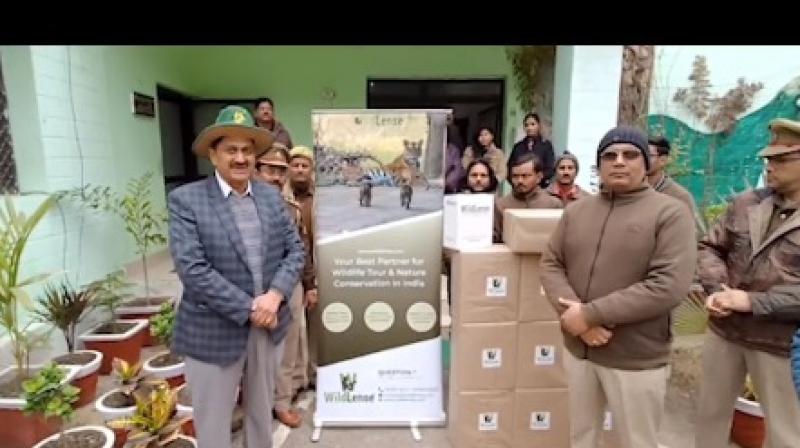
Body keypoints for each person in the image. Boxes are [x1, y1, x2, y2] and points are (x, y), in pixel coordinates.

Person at [540, 125, 696, 448]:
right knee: (581, 437)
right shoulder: (577, 211)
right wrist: (579, 321)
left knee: (637, 441)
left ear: (646, 164)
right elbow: (551, 263)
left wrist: (590, 315)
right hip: (580, 350)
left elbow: (668, 285)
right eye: (609, 156)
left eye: (630, 155)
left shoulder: (670, 213)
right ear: (599, 165)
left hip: (635, 357)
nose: (619, 161)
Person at [168, 105, 305, 448]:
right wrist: (250, 308)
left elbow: (295, 251)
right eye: (231, 150)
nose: (241, 158)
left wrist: (275, 296)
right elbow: (193, 269)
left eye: (247, 150)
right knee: (213, 424)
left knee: (261, 416)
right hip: (213, 329)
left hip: (268, 327)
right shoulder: (186, 201)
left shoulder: (271, 197)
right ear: (213, 155)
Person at [694, 118, 800, 448]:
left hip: (781, 342)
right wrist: (718, 291)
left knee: (786, 432)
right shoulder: (747, 202)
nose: (769, 166)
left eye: (781, 159)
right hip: (726, 331)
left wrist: (752, 302)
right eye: (768, 159)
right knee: (709, 418)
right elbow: (709, 247)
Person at [255, 145, 310, 429]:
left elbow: (301, 250)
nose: (276, 177)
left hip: (289, 286)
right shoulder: (241, 204)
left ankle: (282, 403)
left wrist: (308, 283)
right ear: (256, 170)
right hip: (253, 288)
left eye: (280, 171)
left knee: (288, 347)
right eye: (269, 169)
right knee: (254, 351)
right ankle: (256, 404)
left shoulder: (291, 209)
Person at [287, 145, 319, 392]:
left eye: (304, 165)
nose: (299, 170)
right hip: (292, 273)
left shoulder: (320, 198)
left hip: (318, 267)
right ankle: (298, 380)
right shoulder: (281, 197)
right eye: (295, 165)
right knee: (296, 332)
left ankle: (316, 373)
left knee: (316, 326)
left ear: (311, 169)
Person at [493, 153, 562, 243]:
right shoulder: (501, 205)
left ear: (539, 177)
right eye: (515, 176)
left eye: (525, 176)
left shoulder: (553, 205)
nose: (520, 181)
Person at [647, 136, 696, 213]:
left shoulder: (679, 196)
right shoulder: (630, 189)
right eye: (640, 155)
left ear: (662, 160)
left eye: (649, 156)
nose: (643, 159)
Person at [509, 112, 555, 188]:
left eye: (533, 124)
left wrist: (536, 179)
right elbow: (510, 168)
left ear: (539, 126)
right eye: (526, 125)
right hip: (520, 188)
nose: (529, 128)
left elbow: (550, 168)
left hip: (540, 188)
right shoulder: (518, 147)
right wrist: (516, 182)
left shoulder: (546, 145)